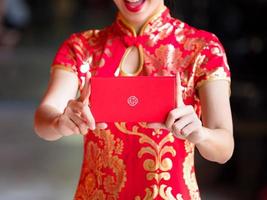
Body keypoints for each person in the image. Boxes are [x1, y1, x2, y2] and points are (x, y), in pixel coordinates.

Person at [34, 0, 234, 199]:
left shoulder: (203, 48)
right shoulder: (81, 47)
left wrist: (200, 134)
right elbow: (44, 118)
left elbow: (224, 148)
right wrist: (59, 122)